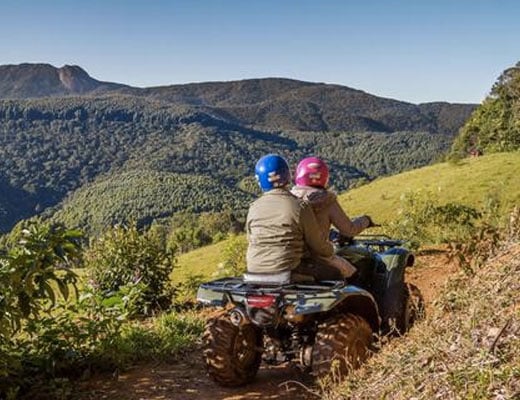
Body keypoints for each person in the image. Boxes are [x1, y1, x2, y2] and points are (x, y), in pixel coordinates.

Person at [245, 154, 355, 282]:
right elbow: (318, 245)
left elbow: (251, 239)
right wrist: (331, 250)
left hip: (253, 271)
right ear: (288, 175)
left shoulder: (253, 207)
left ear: (259, 181)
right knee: (336, 275)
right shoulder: (300, 206)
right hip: (287, 271)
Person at [291, 156, 375, 286]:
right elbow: (349, 229)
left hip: (290, 258)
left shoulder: (289, 199)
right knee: (354, 275)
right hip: (319, 257)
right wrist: (366, 220)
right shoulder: (327, 201)